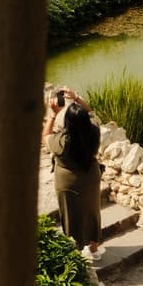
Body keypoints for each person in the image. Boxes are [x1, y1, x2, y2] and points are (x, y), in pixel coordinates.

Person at [42, 86, 104, 261]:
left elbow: (44, 136)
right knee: (92, 211)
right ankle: (93, 249)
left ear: (67, 123)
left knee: (71, 215)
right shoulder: (94, 132)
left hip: (67, 182)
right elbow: (91, 112)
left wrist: (53, 114)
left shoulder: (61, 141)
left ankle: (76, 251)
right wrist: (76, 97)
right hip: (91, 176)